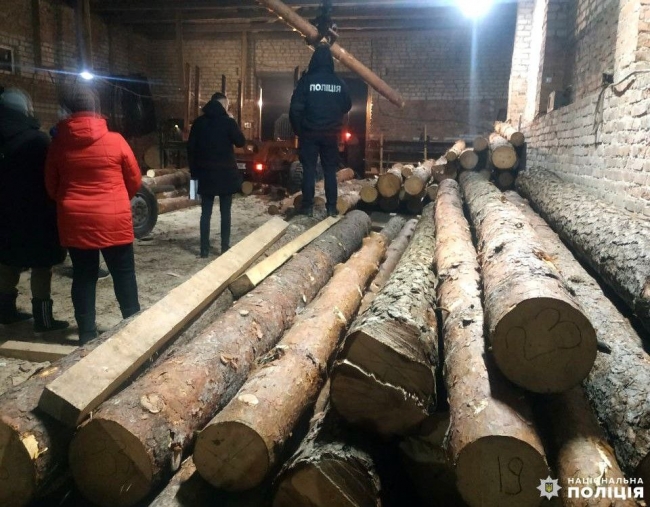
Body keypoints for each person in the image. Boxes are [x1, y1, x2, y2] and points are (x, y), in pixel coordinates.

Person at [45, 84, 142, 343]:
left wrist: (71, 202)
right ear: (97, 109)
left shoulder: (58, 145)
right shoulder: (116, 141)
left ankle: (87, 335)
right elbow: (134, 179)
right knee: (123, 273)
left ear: (68, 109)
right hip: (113, 218)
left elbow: (51, 186)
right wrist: (116, 200)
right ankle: (134, 328)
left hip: (76, 220)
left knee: (84, 276)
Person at [0, 88, 69, 332]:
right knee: (42, 265)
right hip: (37, 212)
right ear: (25, 110)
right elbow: (51, 177)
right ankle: (43, 319)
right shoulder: (37, 140)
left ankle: (6, 312)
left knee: (7, 262)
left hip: (5, 214)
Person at [289, 43, 352, 217]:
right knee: (330, 171)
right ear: (330, 61)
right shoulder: (338, 82)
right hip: (331, 134)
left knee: (309, 170)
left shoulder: (306, 81)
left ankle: (307, 207)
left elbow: (295, 108)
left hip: (309, 133)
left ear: (314, 60)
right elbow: (347, 105)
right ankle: (331, 208)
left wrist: (299, 130)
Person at [187, 92, 246, 257]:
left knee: (205, 213)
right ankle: (224, 248)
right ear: (223, 105)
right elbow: (241, 142)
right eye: (227, 105)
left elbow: (190, 149)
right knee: (225, 213)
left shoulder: (198, 123)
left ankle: (204, 250)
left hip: (205, 175)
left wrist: (194, 175)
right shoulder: (228, 122)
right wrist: (233, 121)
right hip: (226, 175)